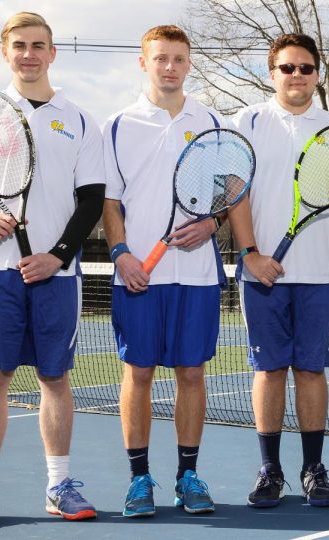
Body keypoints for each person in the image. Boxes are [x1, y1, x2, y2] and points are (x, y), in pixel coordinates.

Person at [0, 11, 104, 530]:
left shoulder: (80, 119)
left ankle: (59, 485)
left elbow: (92, 200)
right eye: (19, 46)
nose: (29, 54)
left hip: (55, 273)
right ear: (5, 53)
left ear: (53, 53)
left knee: (55, 377)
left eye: (39, 45)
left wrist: (59, 253)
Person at [228, 33, 329, 508]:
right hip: (261, 272)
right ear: (273, 73)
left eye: (306, 68)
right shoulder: (245, 122)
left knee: (310, 371)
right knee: (268, 370)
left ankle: (313, 469)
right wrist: (250, 254)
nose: (297, 76)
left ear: (317, 74)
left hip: (319, 274)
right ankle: (270, 470)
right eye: (288, 68)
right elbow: (235, 194)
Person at [102, 25, 226, 518]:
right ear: (143, 62)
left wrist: (213, 222)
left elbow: (231, 188)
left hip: (197, 273)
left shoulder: (213, 119)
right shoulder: (116, 124)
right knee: (139, 372)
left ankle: (188, 476)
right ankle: (138, 480)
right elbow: (110, 202)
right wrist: (121, 254)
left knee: (192, 372)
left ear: (189, 63)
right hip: (139, 274)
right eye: (161, 58)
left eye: (178, 58)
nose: (169, 66)